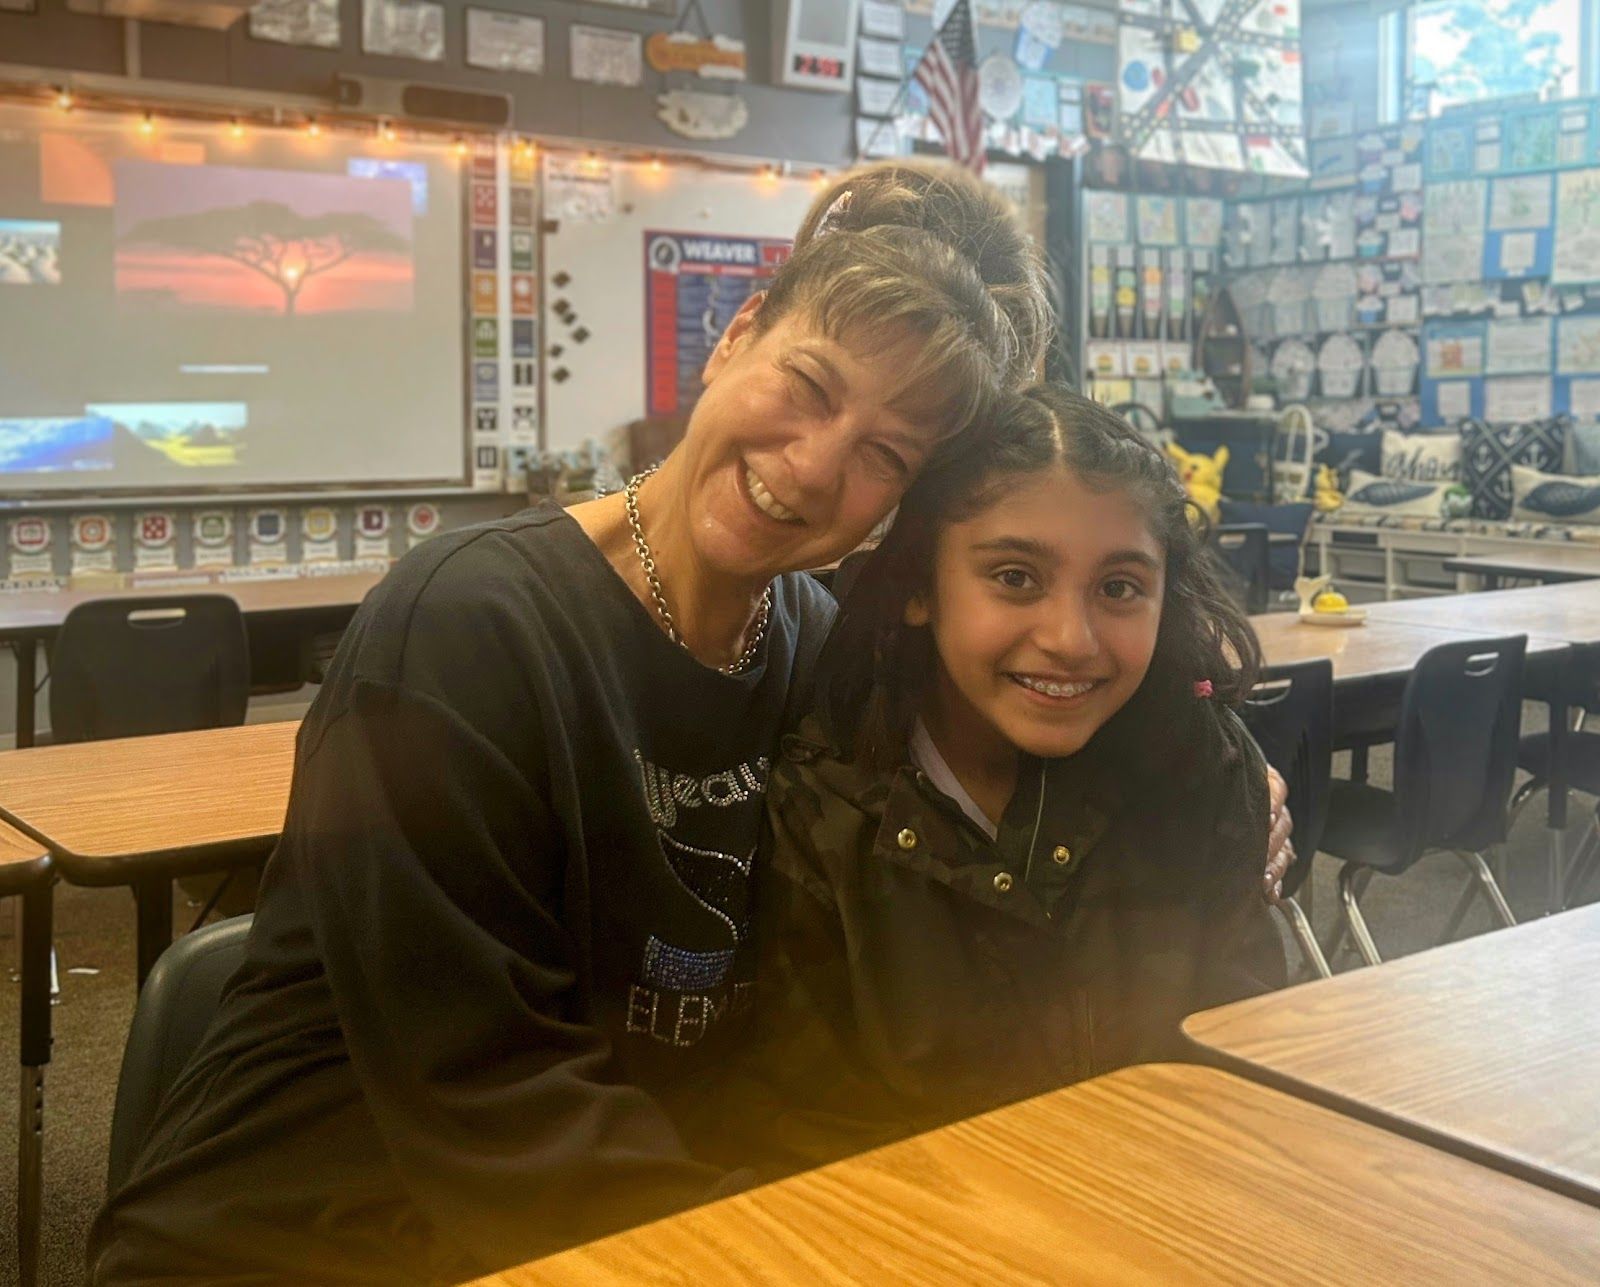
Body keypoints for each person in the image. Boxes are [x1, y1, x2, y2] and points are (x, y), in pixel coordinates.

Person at [88, 161, 1056, 1284]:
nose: (812, 464)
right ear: (738, 334)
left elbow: (956, 818)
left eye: (886, 455)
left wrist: (1217, 776)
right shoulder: (465, 630)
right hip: (311, 1227)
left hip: (612, 1208)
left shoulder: (810, 647)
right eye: (809, 385)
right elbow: (486, 1096)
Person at [702, 384, 1289, 1176]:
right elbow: (809, 1130)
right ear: (919, 586)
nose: (1070, 639)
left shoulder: (1201, 769)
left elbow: (1244, 1059)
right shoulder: (823, 807)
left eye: (1119, 587)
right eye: (1014, 577)